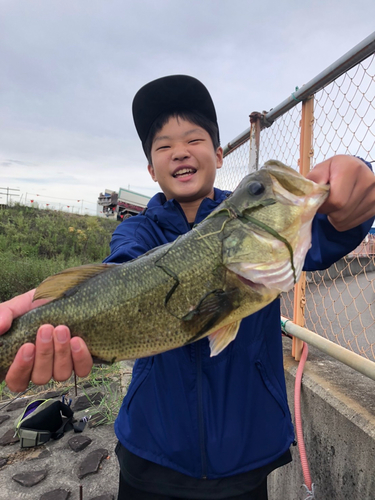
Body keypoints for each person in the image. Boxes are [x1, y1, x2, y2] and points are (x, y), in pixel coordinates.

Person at [1, 75, 375, 500]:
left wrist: (358, 181)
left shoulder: (255, 214)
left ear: (218, 154)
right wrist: (38, 310)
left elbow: (328, 228)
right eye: (163, 146)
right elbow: (119, 272)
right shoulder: (137, 230)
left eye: (194, 139)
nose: (179, 151)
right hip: (151, 454)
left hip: (246, 457)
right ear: (150, 168)